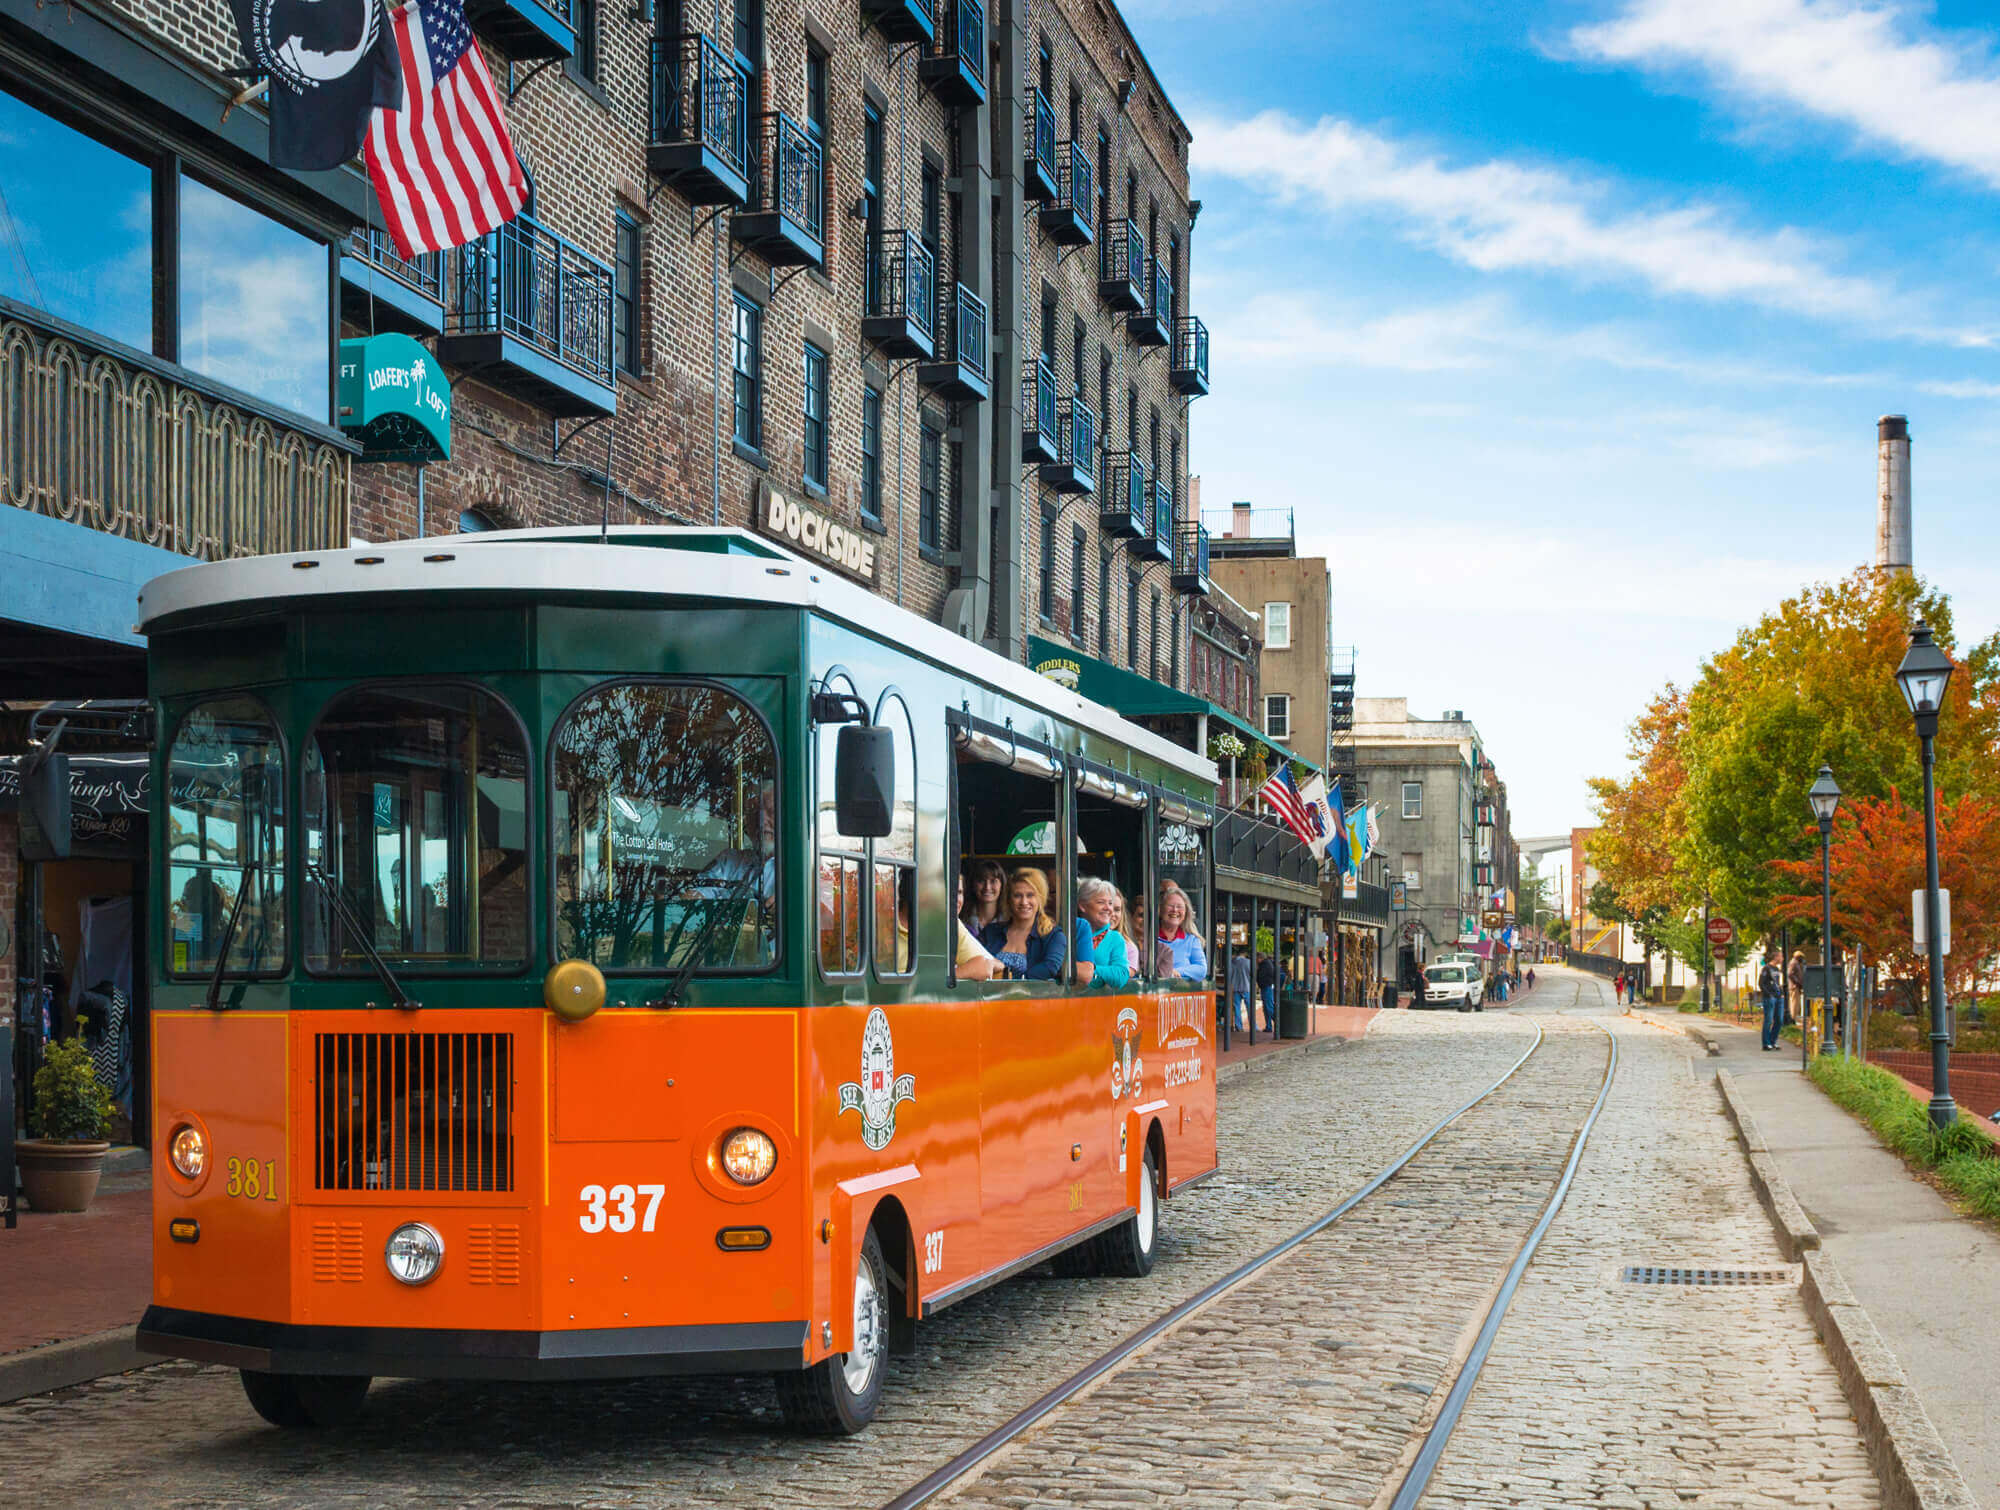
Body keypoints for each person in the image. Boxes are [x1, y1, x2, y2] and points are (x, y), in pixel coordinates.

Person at [979, 867, 1067, 980]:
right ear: (1009, 899)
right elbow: (973, 959)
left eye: (1030, 895)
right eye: (1017, 895)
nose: (1024, 902)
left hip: (1033, 997)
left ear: (1040, 898)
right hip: (989, 996)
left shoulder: (1053, 935)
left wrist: (1009, 981)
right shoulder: (990, 931)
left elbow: (1050, 967)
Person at [1072, 876, 1131, 988]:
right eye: (1101, 902)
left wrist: (1090, 970)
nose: (1108, 908)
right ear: (1082, 906)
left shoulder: (1115, 938)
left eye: (1110, 903)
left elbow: (1121, 975)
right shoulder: (1071, 933)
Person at [1156, 887, 1207, 982]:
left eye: (1179, 906)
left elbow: (1201, 969)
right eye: (1170, 905)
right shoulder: (1150, 938)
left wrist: (1176, 971)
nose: (1175, 910)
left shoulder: (1192, 940)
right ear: (1161, 909)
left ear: (1186, 912)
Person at [953, 875, 998, 982]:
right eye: (948, 892)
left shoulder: (953, 925)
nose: (954, 899)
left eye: (959, 892)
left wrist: (955, 973)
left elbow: (986, 966)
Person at [962, 859, 1007, 934]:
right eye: (981, 881)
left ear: (1002, 885)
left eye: (993, 881)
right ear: (973, 885)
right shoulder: (962, 920)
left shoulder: (1010, 920)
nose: (987, 887)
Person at [1758, 953, 1785, 1051]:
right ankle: (1766, 1043)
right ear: (1776, 957)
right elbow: (1761, 983)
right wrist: (1768, 994)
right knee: (1768, 1020)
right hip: (1770, 997)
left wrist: (1781, 993)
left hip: (1778, 997)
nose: (1782, 958)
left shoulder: (1777, 969)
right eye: (1781, 956)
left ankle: (1773, 1041)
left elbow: (1777, 983)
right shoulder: (1766, 968)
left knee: (1779, 1020)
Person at [1228, 948, 1253, 1031]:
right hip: (1246, 987)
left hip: (1235, 987)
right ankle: (1253, 1026)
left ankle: (1239, 1026)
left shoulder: (1232, 962)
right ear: (1244, 954)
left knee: (1237, 1008)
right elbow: (1252, 974)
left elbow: (1229, 975)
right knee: (1250, 1008)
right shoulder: (1248, 962)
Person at [1256, 952, 1278, 1032]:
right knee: (1267, 1007)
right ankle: (1269, 1026)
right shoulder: (1268, 964)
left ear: (1260, 958)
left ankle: (1278, 1023)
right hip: (1267, 986)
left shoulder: (1264, 965)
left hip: (1266, 987)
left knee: (1268, 1007)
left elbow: (1260, 976)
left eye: (1257, 958)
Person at [1786, 950, 1806, 1028]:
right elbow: (1790, 974)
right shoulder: (1793, 963)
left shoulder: (1796, 963)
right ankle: (1792, 1020)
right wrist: (1797, 982)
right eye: (1801, 957)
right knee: (1794, 1003)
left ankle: (1794, 1018)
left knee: (1796, 1004)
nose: (1802, 959)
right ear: (1798, 957)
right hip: (1794, 987)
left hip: (1796, 986)